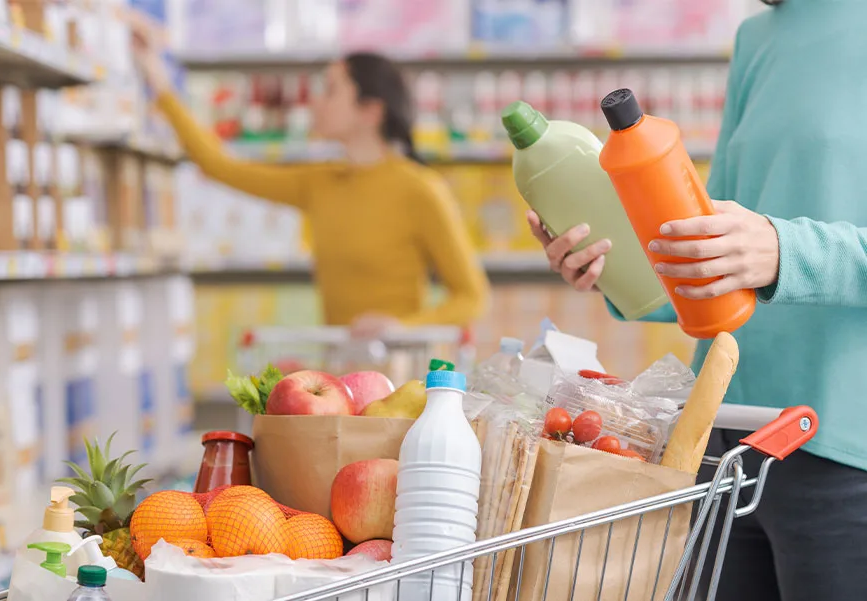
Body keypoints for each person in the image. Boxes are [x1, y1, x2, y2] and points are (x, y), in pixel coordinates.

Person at [529, 0, 867, 599]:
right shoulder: (759, 36)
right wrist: (619, 268)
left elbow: (771, 251)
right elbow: (717, 243)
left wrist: (788, 251)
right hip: (723, 445)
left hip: (845, 452)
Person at [130, 21, 489, 338]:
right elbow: (220, 166)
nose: (315, 102)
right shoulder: (318, 183)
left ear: (370, 111)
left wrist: (403, 329)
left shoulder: (421, 189)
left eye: (330, 90)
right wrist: (158, 81)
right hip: (334, 371)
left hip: (398, 371)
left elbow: (472, 297)